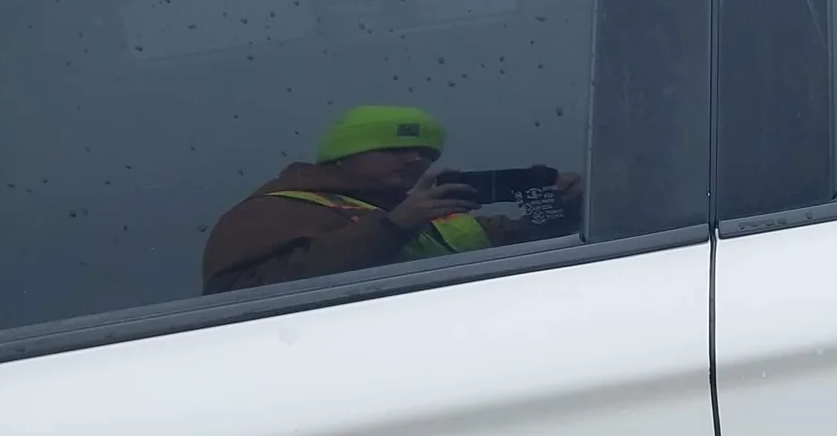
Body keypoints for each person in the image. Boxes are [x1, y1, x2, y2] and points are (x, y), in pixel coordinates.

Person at [201, 105, 583, 294]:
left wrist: (561, 212)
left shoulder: (433, 213)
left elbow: (510, 248)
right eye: (393, 149)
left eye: (425, 153)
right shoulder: (271, 211)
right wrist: (392, 227)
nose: (415, 159)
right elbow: (239, 294)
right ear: (344, 155)